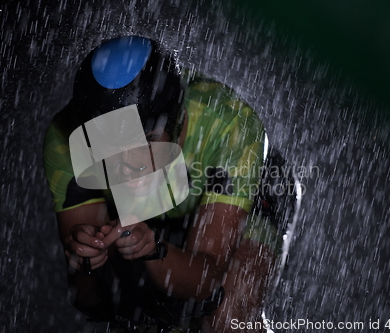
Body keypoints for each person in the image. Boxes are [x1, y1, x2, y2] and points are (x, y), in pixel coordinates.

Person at [43, 35, 290, 332]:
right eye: (111, 151)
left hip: (252, 192)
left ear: (177, 121)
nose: (130, 168)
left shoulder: (231, 125)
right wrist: (85, 260)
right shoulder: (66, 143)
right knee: (132, 313)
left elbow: (206, 282)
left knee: (226, 317)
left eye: (146, 142)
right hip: (161, 210)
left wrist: (155, 249)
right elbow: (92, 302)